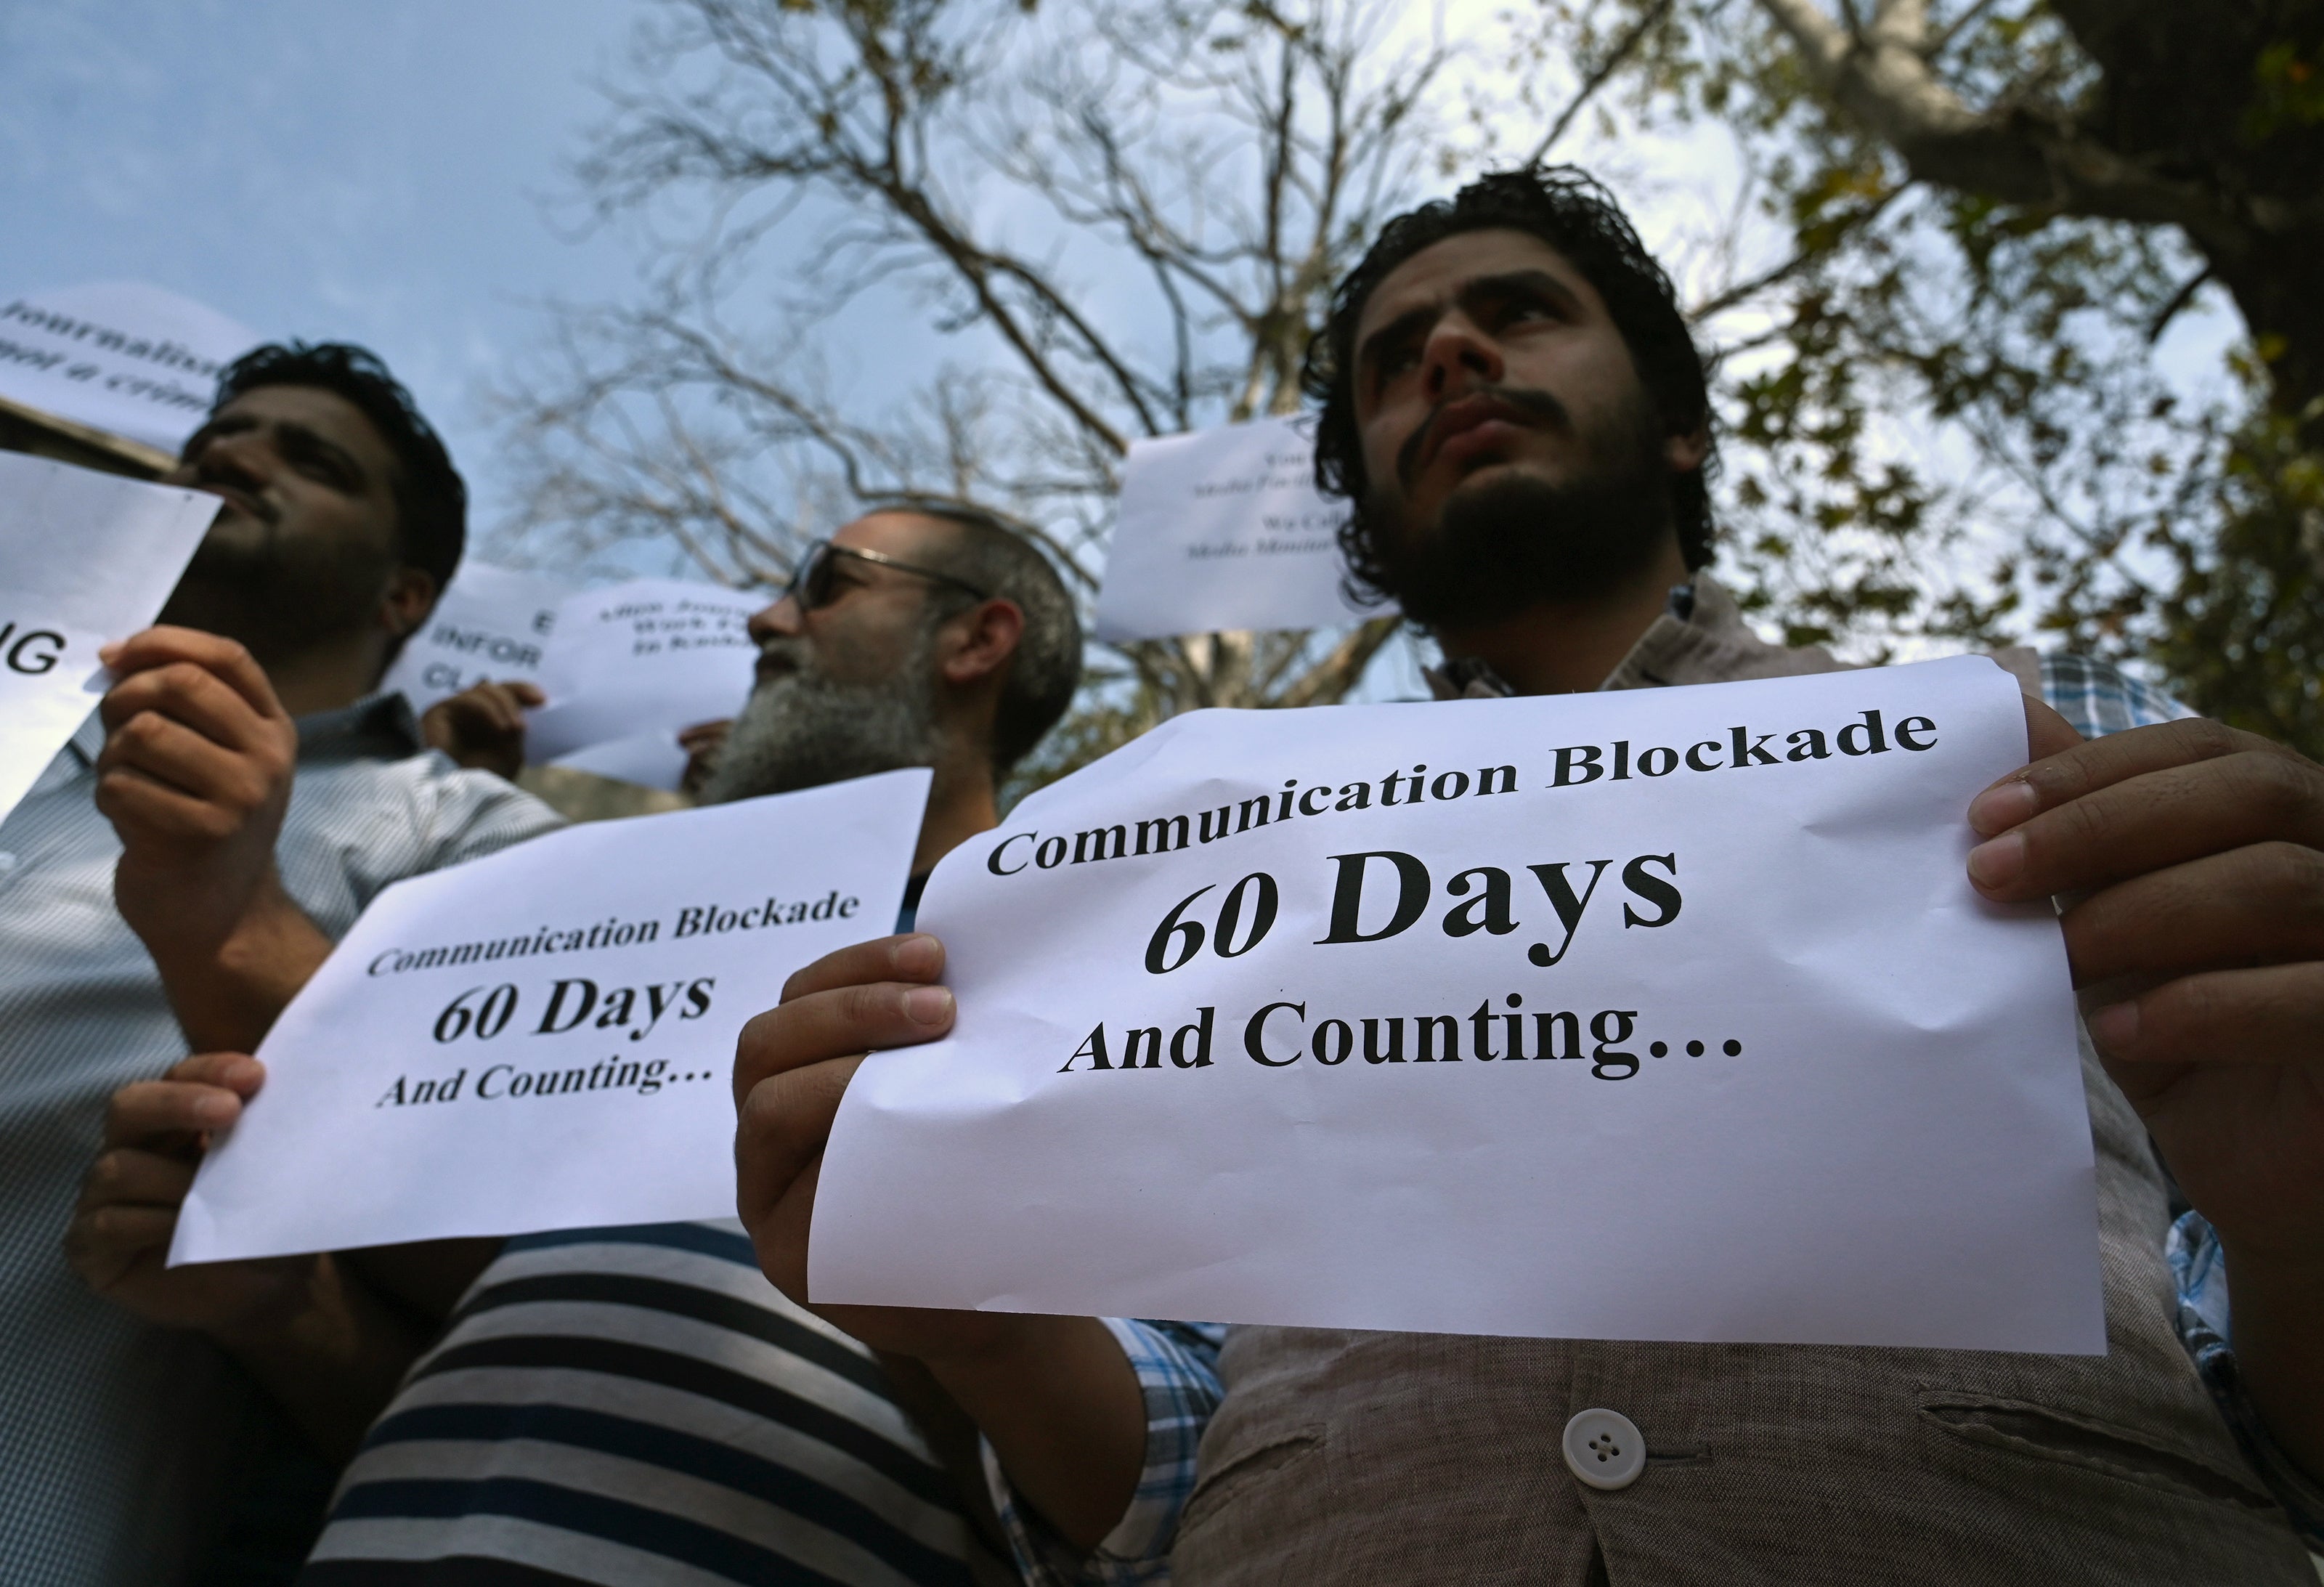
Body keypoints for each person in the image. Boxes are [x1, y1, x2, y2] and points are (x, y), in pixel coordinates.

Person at [728, 168, 2324, 1584]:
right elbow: (1155, 1475)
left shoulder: (2063, 736)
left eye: (1518, 311)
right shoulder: (1179, 863)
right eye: (1389, 362)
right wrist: (965, 1313)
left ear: (1680, 424)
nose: (1447, 354)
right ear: (1367, 508)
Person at [285, 499, 1081, 1586]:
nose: (765, 618)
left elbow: (1126, 1491)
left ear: (977, 640)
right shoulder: (650, 933)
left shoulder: (1086, 973)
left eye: (827, 581)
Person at [6, 341, 564, 1587]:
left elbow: (520, 1227)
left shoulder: (461, 825)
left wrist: (237, 913)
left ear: (405, 595)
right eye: (224, 433)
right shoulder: (15, 714)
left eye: (308, 460)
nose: (232, 454)